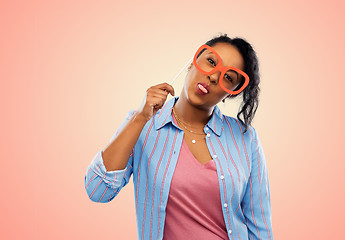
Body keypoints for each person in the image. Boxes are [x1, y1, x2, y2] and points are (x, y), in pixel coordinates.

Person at [84, 33, 274, 240]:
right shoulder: (142, 125)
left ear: (231, 93)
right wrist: (140, 119)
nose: (213, 77)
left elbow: (259, 226)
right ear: (193, 61)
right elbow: (98, 190)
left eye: (228, 77)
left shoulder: (246, 139)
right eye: (211, 62)